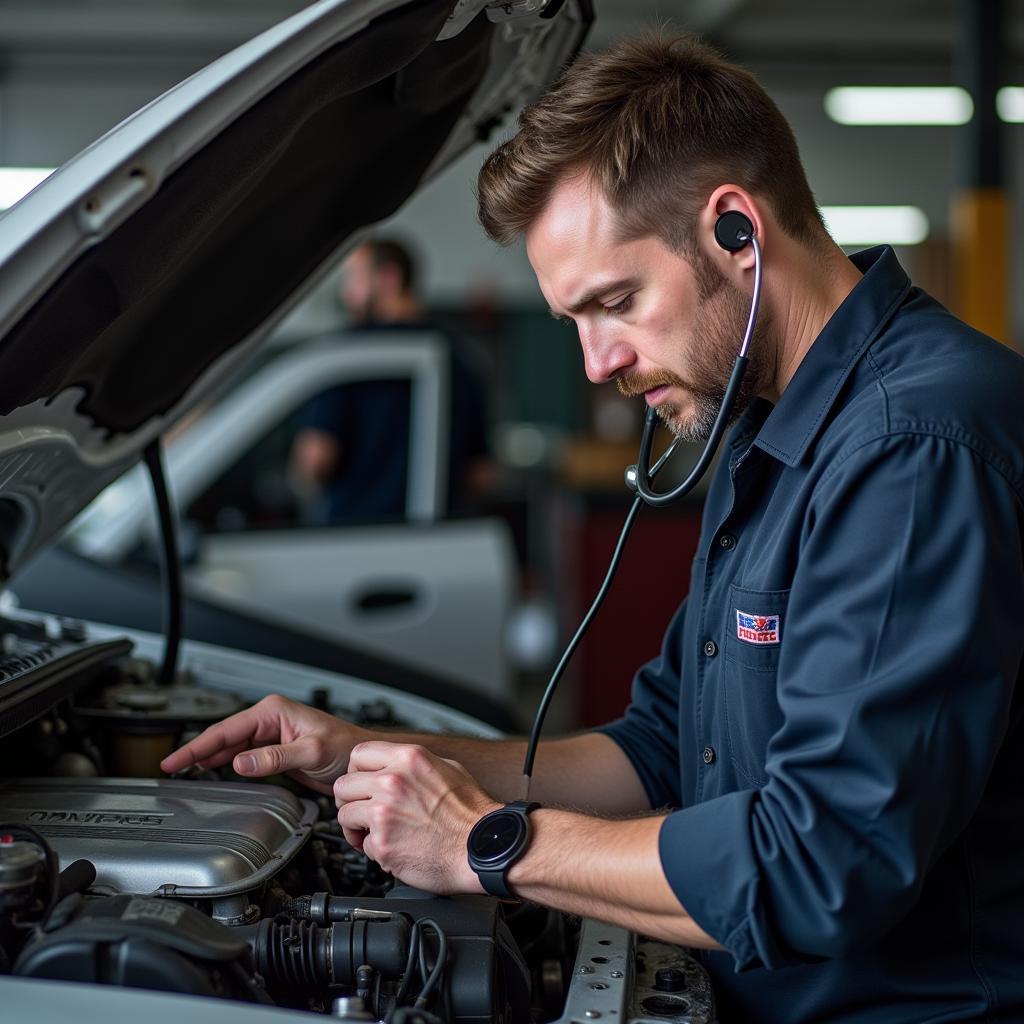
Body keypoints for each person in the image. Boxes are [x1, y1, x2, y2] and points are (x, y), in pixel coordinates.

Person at [162, 32, 1024, 1022]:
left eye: (614, 302)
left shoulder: (913, 448)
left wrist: (489, 844)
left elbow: (822, 862)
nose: (594, 363)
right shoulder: (761, 424)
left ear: (735, 231)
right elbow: (659, 749)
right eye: (572, 318)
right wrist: (358, 753)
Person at [289, 237, 493, 523]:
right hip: (434, 543)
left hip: (349, 541)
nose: (348, 294)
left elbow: (317, 457)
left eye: (355, 279)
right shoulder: (457, 358)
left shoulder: (345, 356)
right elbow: (480, 475)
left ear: (389, 278)